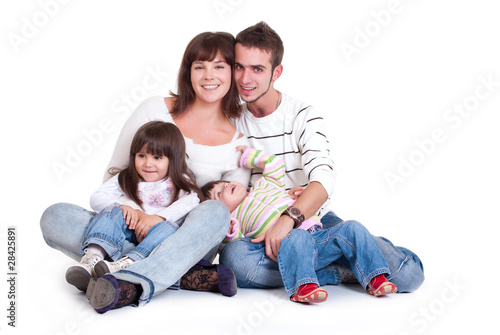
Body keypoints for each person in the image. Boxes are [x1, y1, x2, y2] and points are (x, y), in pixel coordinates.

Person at [40, 31, 250, 313]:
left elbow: (229, 213)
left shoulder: (239, 144)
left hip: (180, 236)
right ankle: (175, 274)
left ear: (233, 73)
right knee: (55, 217)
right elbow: (117, 172)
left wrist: (159, 220)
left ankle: (129, 284)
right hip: (125, 225)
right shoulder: (154, 109)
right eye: (199, 66)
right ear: (188, 72)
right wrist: (134, 214)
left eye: (219, 66)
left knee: (215, 212)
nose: (208, 75)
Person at [219, 21, 425, 293]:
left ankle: (317, 264)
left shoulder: (303, 115)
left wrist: (288, 218)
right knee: (235, 262)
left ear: (276, 72)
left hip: (313, 219)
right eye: (239, 67)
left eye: (258, 69)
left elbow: (323, 179)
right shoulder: (230, 122)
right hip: (262, 227)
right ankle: (339, 270)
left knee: (408, 275)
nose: (246, 79)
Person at [203, 146, 398, 303]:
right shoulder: (235, 218)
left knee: (353, 227)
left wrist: (249, 156)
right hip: (290, 245)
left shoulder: (263, 185)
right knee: (297, 236)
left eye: (225, 183)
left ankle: (375, 278)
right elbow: (233, 243)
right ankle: (304, 286)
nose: (227, 186)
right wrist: (229, 233)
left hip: (319, 234)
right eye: (219, 194)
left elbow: (274, 164)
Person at [65, 121, 202, 294]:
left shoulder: (177, 181)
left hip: (155, 237)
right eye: (142, 155)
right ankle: (92, 258)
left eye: (157, 157)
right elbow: (97, 198)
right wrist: (124, 206)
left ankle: (127, 263)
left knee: (170, 229)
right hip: (125, 233)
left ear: (173, 159)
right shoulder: (126, 177)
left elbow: (192, 201)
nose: (147, 164)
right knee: (111, 212)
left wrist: (159, 218)